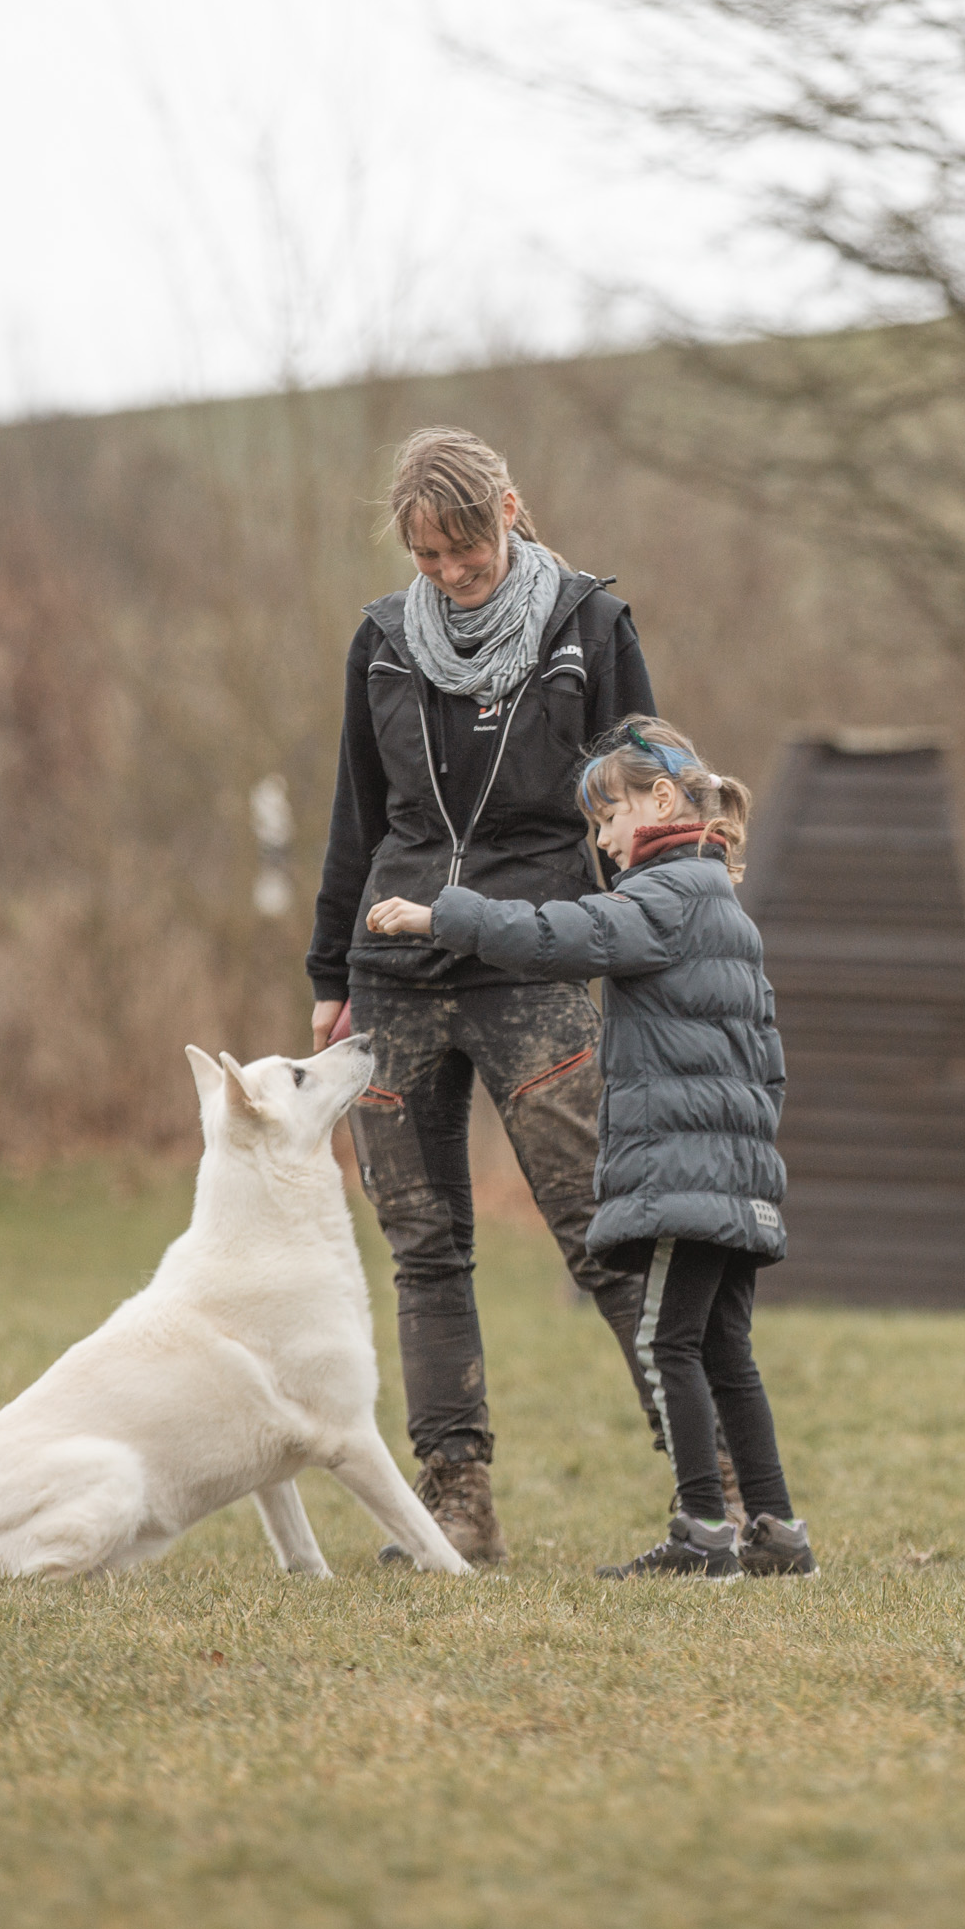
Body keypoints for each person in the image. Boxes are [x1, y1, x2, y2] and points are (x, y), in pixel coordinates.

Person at [307, 426, 660, 1566]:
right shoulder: (380, 642)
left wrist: (659, 937)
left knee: (606, 1230)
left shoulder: (590, 627)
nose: (453, 577)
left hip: (538, 962)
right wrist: (327, 977)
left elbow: (642, 799)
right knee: (424, 1247)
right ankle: (454, 1503)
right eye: (430, 561)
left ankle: (713, 1483)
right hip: (394, 978)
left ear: (512, 510)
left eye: (467, 551)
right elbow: (358, 819)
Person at [367, 715, 818, 1580]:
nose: (602, 842)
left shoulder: (659, 900)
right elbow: (769, 1061)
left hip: (683, 1177)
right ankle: (775, 1530)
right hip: (734, 1174)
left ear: (658, 801)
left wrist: (443, 915)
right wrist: (750, 1162)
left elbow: (557, 936)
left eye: (606, 818)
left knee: (668, 1344)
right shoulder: (723, 903)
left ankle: (702, 1534)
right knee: (725, 1350)